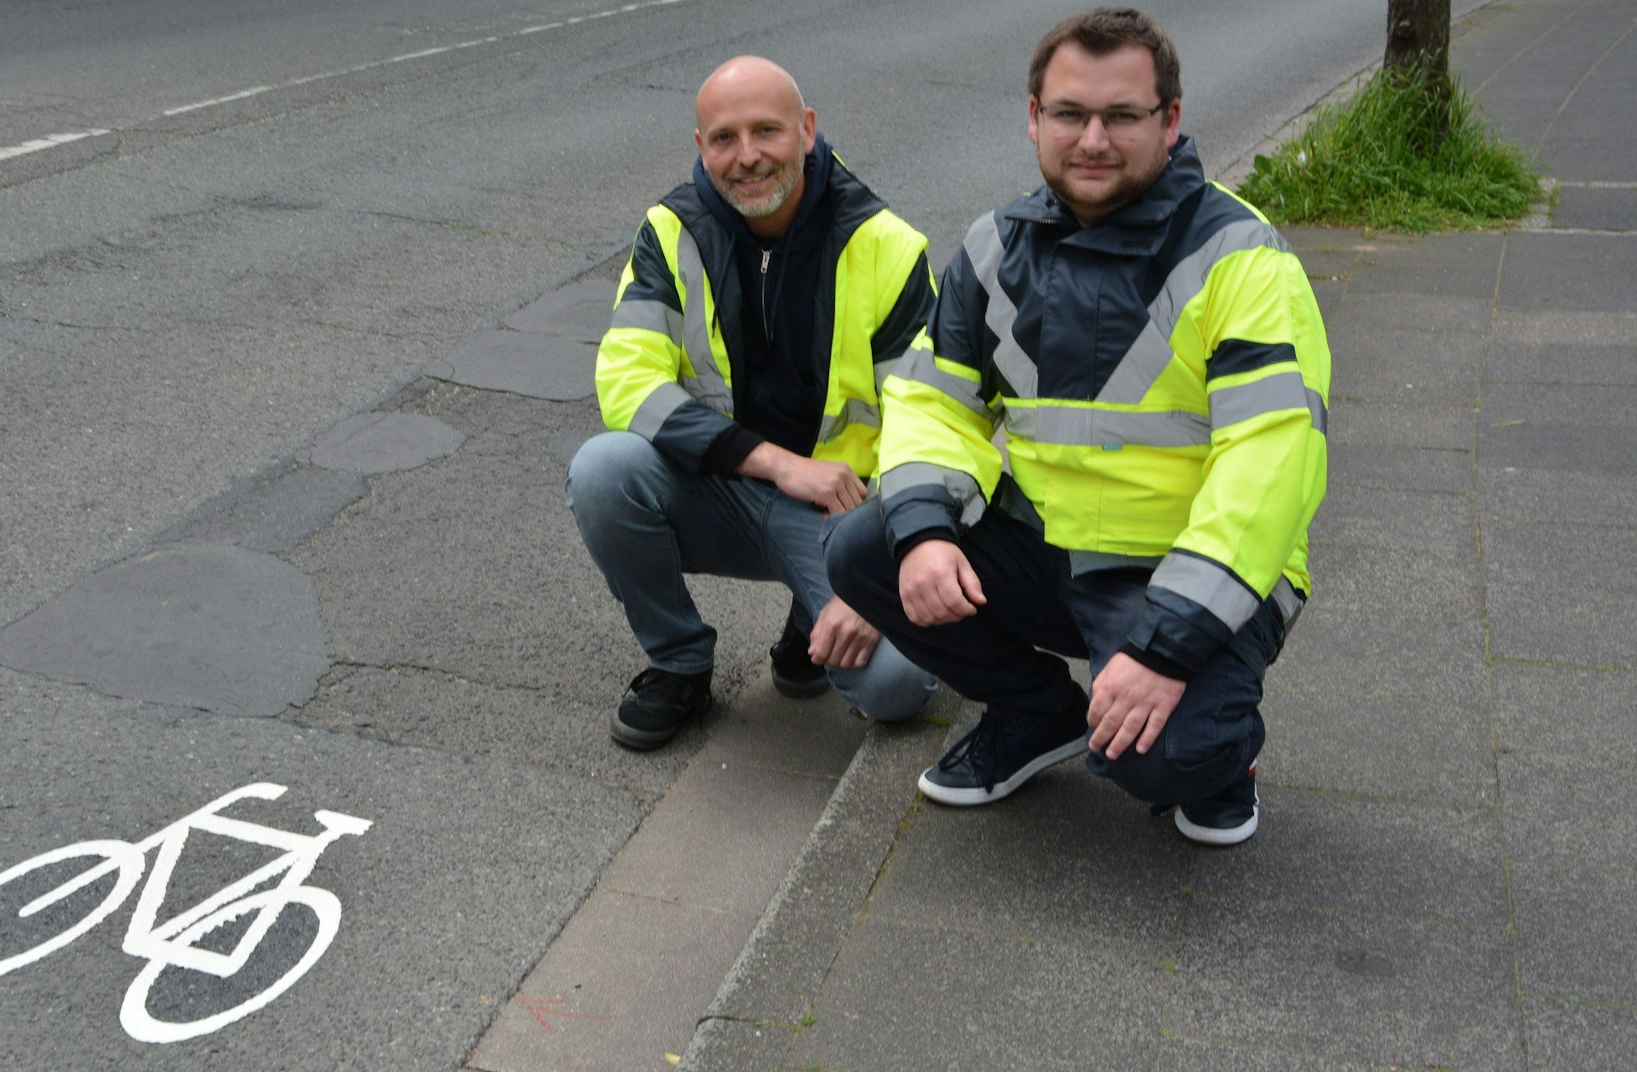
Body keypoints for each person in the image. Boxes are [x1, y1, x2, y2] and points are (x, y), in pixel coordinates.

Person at [825, 7, 1330, 845]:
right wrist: (923, 532)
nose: (1092, 139)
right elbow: (933, 404)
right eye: (1069, 114)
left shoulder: (1242, 258)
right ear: (1034, 118)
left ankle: (1225, 758)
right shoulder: (994, 248)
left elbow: (1270, 465)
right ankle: (1035, 713)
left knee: (1166, 760)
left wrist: (1165, 647)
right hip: (1050, 549)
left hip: (1186, 570)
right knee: (866, 546)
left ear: (1170, 120)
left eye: (1121, 116)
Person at [566, 56, 939, 751]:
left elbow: (932, 425)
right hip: (727, 488)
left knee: (897, 685)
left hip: (844, 513)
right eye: (724, 138)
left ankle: (810, 620)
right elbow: (626, 382)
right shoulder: (671, 232)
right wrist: (774, 463)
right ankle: (680, 661)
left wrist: (878, 573)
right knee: (603, 470)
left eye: (767, 131)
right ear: (700, 146)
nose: (747, 157)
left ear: (807, 130)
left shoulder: (885, 245)